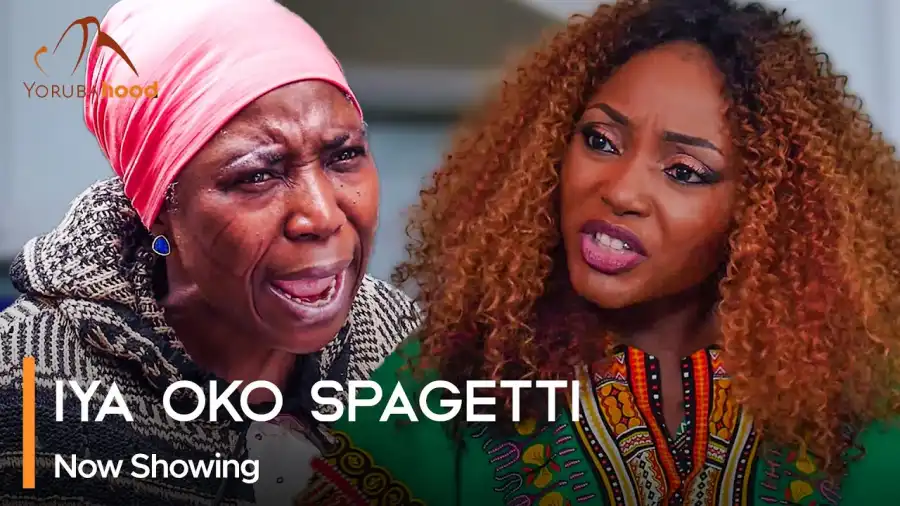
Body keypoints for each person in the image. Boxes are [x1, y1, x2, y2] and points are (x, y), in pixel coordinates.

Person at [298, 0, 900, 504]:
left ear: (768, 211)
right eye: (600, 140)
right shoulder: (449, 375)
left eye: (684, 171)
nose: (620, 190)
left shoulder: (862, 411)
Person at [0, 0, 419, 504]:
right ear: (157, 208)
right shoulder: (25, 385)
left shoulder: (401, 344)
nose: (323, 215)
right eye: (257, 175)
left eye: (344, 155)